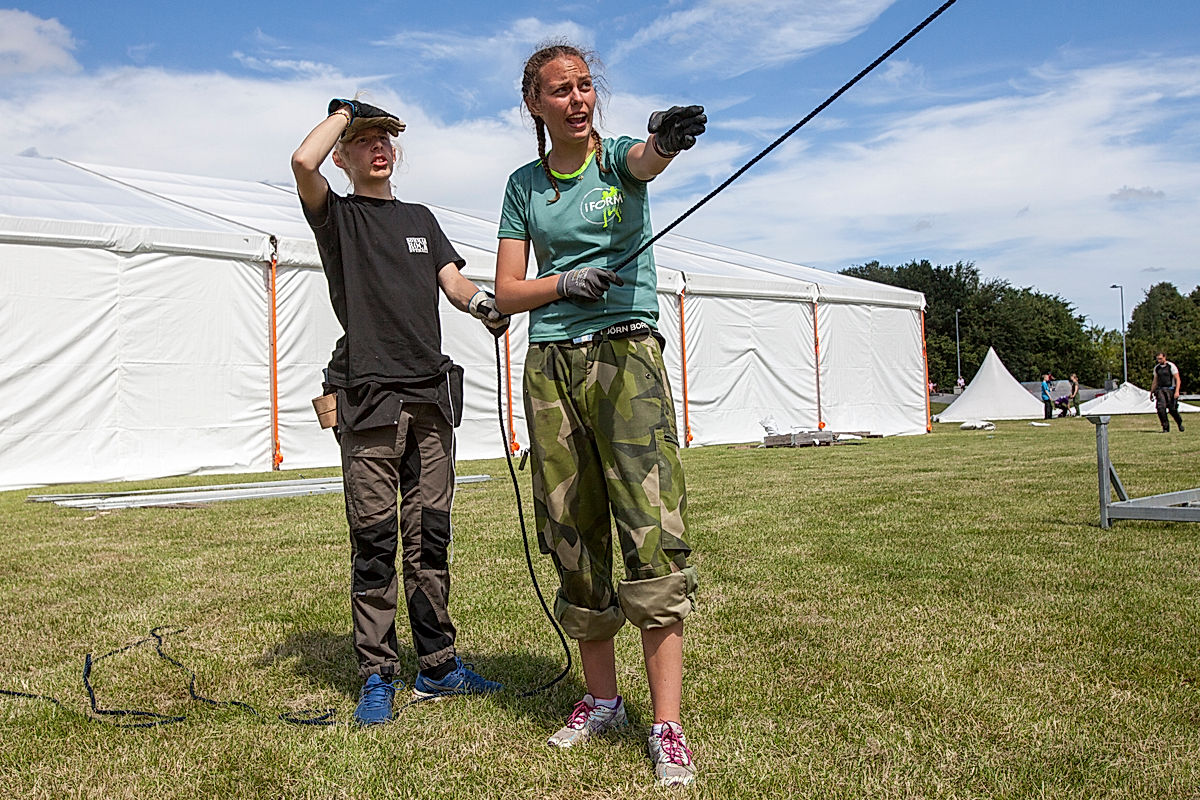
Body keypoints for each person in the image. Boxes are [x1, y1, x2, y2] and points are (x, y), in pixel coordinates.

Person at [493, 42, 705, 787]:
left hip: (626, 355)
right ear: (535, 104)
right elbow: (508, 291)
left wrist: (668, 142)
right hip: (551, 364)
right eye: (561, 90)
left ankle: (667, 725)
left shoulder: (615, 157)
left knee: (650, 527)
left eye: (585, 86)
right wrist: (563, 283)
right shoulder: (524, 186)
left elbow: (645, 161)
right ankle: (602, 700)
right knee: (572, 532)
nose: (578, 99)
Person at [291, 97, 509, 726]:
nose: (379, 146)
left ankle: (438, 667)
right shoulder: (337, 218)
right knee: (374, 542)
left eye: (386, 137)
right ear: (345, 155)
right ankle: (378, 672)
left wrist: (482, 306)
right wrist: (342, 111)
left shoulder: (421, 218)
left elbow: (454, 282)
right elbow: (302, 160)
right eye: (364, 140)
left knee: (430, 540)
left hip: (430, 403)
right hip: (369, 404)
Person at [1148, 352, 1184, 433]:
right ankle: (1165, 427)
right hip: (1160, 390)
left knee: (1172, 409)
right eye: (1158, 359)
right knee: (1160, 408)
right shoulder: (1157, 368)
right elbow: (1155, 381)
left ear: (1164, 357)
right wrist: (1151, 392)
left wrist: (1177, 391)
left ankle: (1179, 422)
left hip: (1170, 389)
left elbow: (1177, 379)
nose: (1159, 360)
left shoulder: (1171, 366)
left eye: (1160, 358)